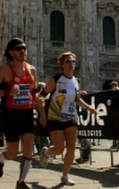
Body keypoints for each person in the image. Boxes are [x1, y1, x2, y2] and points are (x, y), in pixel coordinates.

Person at [38, 51, 98, 186]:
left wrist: (89, 107)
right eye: (68, 61)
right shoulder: (56, 79)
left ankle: (65, 175)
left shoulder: (76, 82)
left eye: (73, 62)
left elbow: (77, 99)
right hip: (55, 117)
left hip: (70, 117)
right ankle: (47, 152)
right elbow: (41, 95)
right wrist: (42, 108)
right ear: (62, 65)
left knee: (71, 147)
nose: (71, 64)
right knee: (59, 149)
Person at [0, 38, 39, 189]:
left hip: (27, 113)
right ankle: (1, 158)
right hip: (10, 114)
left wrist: (39, 103)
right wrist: (7, 92)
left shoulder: (32, 70)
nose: (23, 51)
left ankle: (21, 182)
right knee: (13, 152)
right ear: (11, 52)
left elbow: (34, 91)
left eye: (24, 48)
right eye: (19, 49)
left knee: (29, 147)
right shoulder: (5, 69)